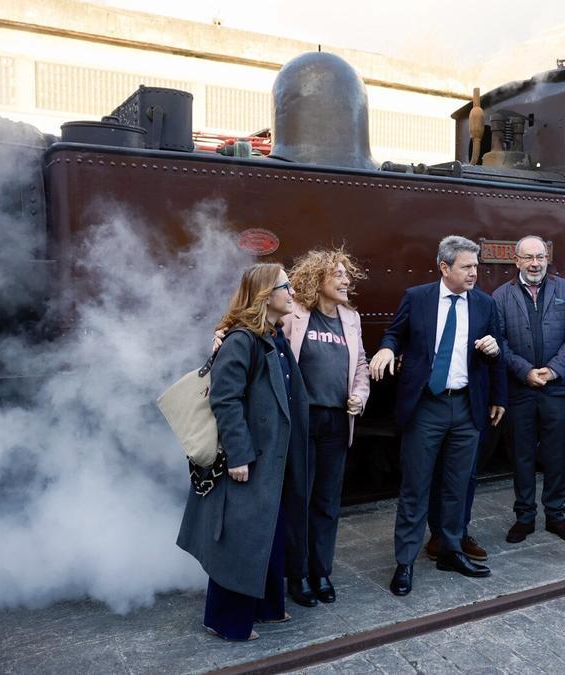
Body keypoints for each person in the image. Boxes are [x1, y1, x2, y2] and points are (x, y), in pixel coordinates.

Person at [177, 263, 309, 642]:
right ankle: (224, 621)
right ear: (266, 294)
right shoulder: (242, 340)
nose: (293, 293)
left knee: (268, 530)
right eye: (286, 287)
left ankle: (266, 608)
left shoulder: (273, 336)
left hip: (274, 457)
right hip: (251, 458)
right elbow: (225, 399)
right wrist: (238, 455)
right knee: (240, 537)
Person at [369, 235, 507, 596]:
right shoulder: (417, 298)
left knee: (457, 487)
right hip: (426, 406)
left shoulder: (484, 304)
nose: (474, 273)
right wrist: (386, 349)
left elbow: (498, 352)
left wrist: (497, 386)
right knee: (415, 487)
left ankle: (449, 550)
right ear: (444, 267)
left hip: (466, 407)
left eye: (476, 266)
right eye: (467, 266)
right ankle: (405, 562)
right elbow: (394, 333)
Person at [278, 248, 370, 607]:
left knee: (328, 501)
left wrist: (359, 396)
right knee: (298, 498)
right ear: (318, 280)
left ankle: (321, 572)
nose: (347, 281)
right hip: (302, 419)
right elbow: (257, 331)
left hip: (336, 421)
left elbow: (360, 365)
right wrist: (221, 334)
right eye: (339, 275)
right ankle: (297, 574)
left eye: (347, 274)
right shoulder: (295, 313)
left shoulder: (351, 318)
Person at [492, 235, 565, 544]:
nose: (535, 263)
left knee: (556, 454)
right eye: (528, 257)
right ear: (516, 261)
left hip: (557, 388)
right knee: (521, 456)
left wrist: (554, 369)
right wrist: (525, 371)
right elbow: (499, 341)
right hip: (521, 389)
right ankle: (525, 517)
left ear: (547, 259)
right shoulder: (501, 296)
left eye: (540, 257)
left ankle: (556, 516)